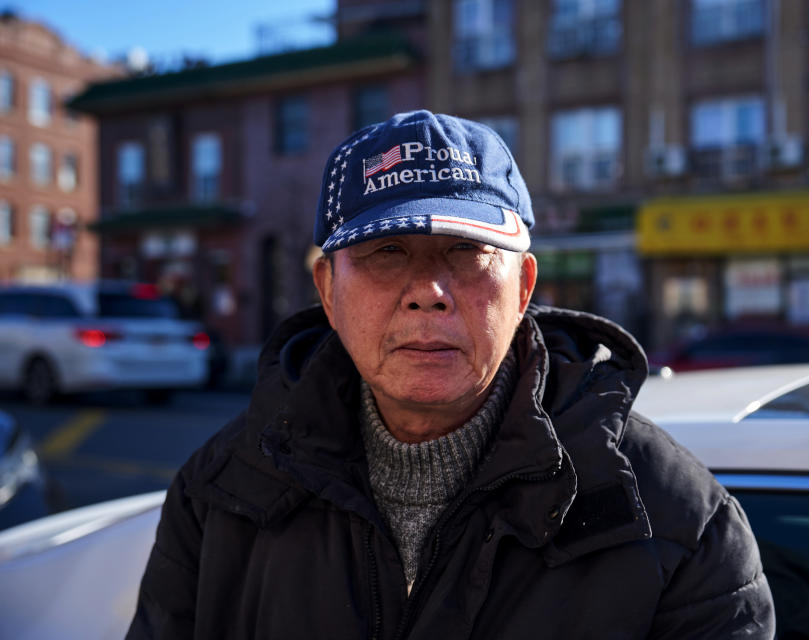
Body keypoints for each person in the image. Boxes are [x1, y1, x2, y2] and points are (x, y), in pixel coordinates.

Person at [127, 110, 775, 639]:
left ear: (523, 286)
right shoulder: (221, 493)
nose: (430, 292)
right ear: (328, 291)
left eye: (466, 252)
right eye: (387, 251)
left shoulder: (676, 519)